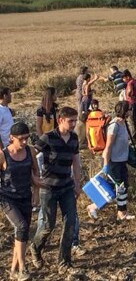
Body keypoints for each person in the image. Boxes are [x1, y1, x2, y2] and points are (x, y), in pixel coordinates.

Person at [30, 106, 83, 274]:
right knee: (47, 225)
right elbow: (32, 154)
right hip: (49, 188)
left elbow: (75, 161)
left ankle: (64, 262)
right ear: (60, 120)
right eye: (71, 121)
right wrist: (35, 178)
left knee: (70, 223)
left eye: (75, 120)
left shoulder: (74, 138)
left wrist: (77, 183)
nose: (74, 124)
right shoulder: (48, 138)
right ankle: (35, 248)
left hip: (67, 186)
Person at [0, 122, 41, 281]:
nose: (24, 142)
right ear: (11, 138)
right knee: (21, 227)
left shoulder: (30, 151)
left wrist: (36, 192)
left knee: (22, 233)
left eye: (26, 138)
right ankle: (23, 268)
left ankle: (13, 271)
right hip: (8, 198)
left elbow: (35, 171)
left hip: (26, 197)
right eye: (21, 139)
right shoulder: (4, 155)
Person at [91, 101, 135, 221]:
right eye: (130, 109)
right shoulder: (114, 125)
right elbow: (109, 146)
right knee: (119, 187)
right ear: (124, 111)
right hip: (113, 162)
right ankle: (120, 212)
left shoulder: (123, 124)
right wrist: (106, 164)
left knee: (119, 186)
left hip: (121, 161)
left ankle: (97, 207)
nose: (131, 111)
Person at [122, 70, 136, 140]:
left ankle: (133, 137)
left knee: (131, 120)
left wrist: (128, 95)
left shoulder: (130, 83)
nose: (123, 80)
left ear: (127, 77)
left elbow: (129, 91)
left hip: (132, 103)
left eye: (124, 78)